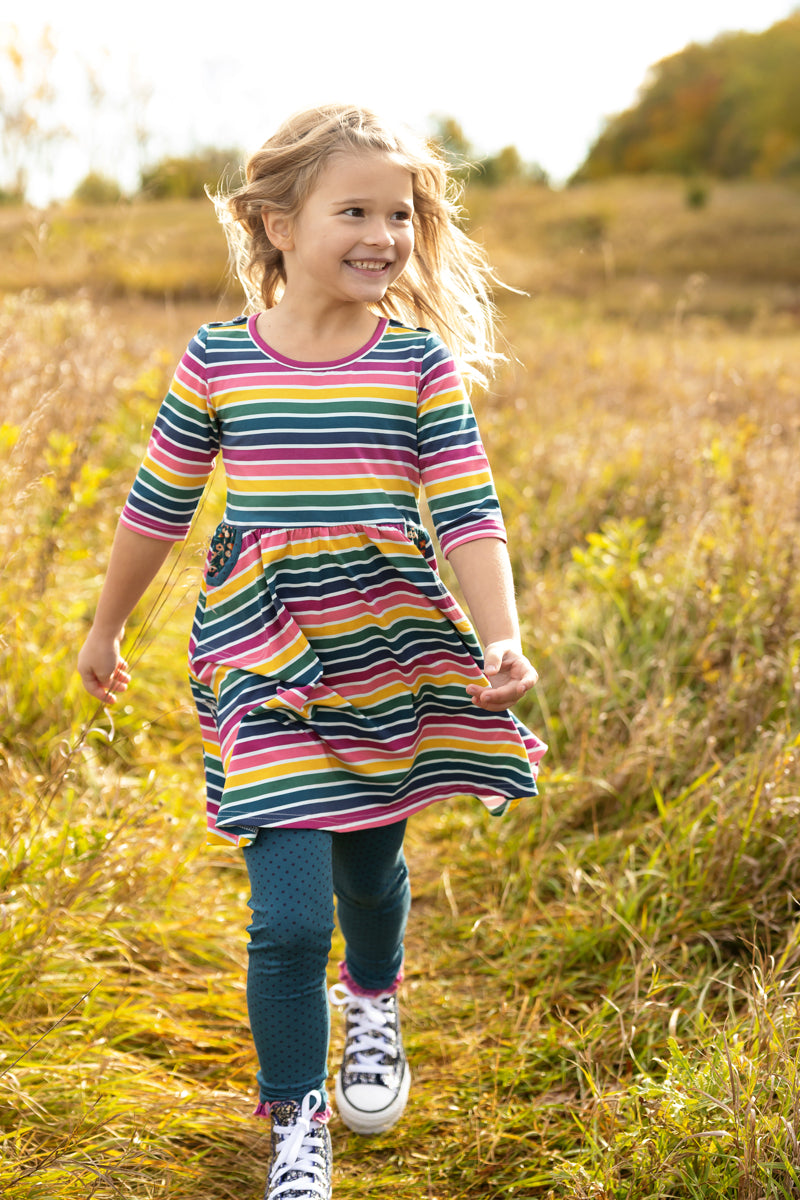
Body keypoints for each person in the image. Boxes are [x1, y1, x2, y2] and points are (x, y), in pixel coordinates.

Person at [77, 103, 546, 1200]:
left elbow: (468, 510)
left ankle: (372, 999)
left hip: (384, 652)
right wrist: (105, 627)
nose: (383, 232)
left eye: (400, 211)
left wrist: (500, 633)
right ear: (276, 223)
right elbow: (159, 501)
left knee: (368, 871)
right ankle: (296, 1120)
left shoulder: (415, 365)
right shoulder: (220, 360)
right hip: (261, 652)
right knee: (287, 918)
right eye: (355, 209)